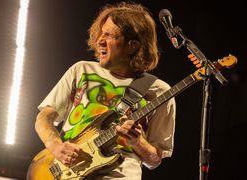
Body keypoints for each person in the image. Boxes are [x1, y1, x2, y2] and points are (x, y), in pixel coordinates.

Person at [29, 2, 176, 179]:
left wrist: (138, 142)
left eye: (110, 35)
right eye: (101, 33)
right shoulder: (81, 70)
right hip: (65, 171)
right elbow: (44, 117)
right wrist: (55, 145)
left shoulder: (160, 91)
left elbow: (154, 160)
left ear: (132, 45)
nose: (100, 40)